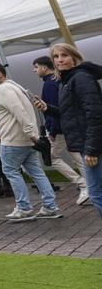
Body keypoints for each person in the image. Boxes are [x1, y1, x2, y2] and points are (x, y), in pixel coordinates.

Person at [0, 61, 62, 222]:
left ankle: (24, 208)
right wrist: (32, 136)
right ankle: (50, 206)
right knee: (36, 172)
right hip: (26, 140)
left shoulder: (5, 90)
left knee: (11, 172)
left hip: (13, 140)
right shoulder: (15, 87)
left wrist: (31, 134)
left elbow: (20, 112)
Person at [51, 42, 102, 218]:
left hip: (93, 146)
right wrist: (47, 109)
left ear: (74, 57)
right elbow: (72, 115)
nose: (60, 60)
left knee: (96, 194)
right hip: (87, 145)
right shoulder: (67, 81)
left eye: (64, 55)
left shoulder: (80, 78)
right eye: (56, 57)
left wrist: (92, 150)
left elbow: (95, 114)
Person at [32, 55, 90, 205]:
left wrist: (52, 131)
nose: (34, 70)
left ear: (44, 68)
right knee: (78, 157)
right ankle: (89, 186)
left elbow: (57, 109)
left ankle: (84, 184)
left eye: (36, 67)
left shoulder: (49, 84)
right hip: (68, 127)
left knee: (53, 158)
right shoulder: (57, 80)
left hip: (60, 129)